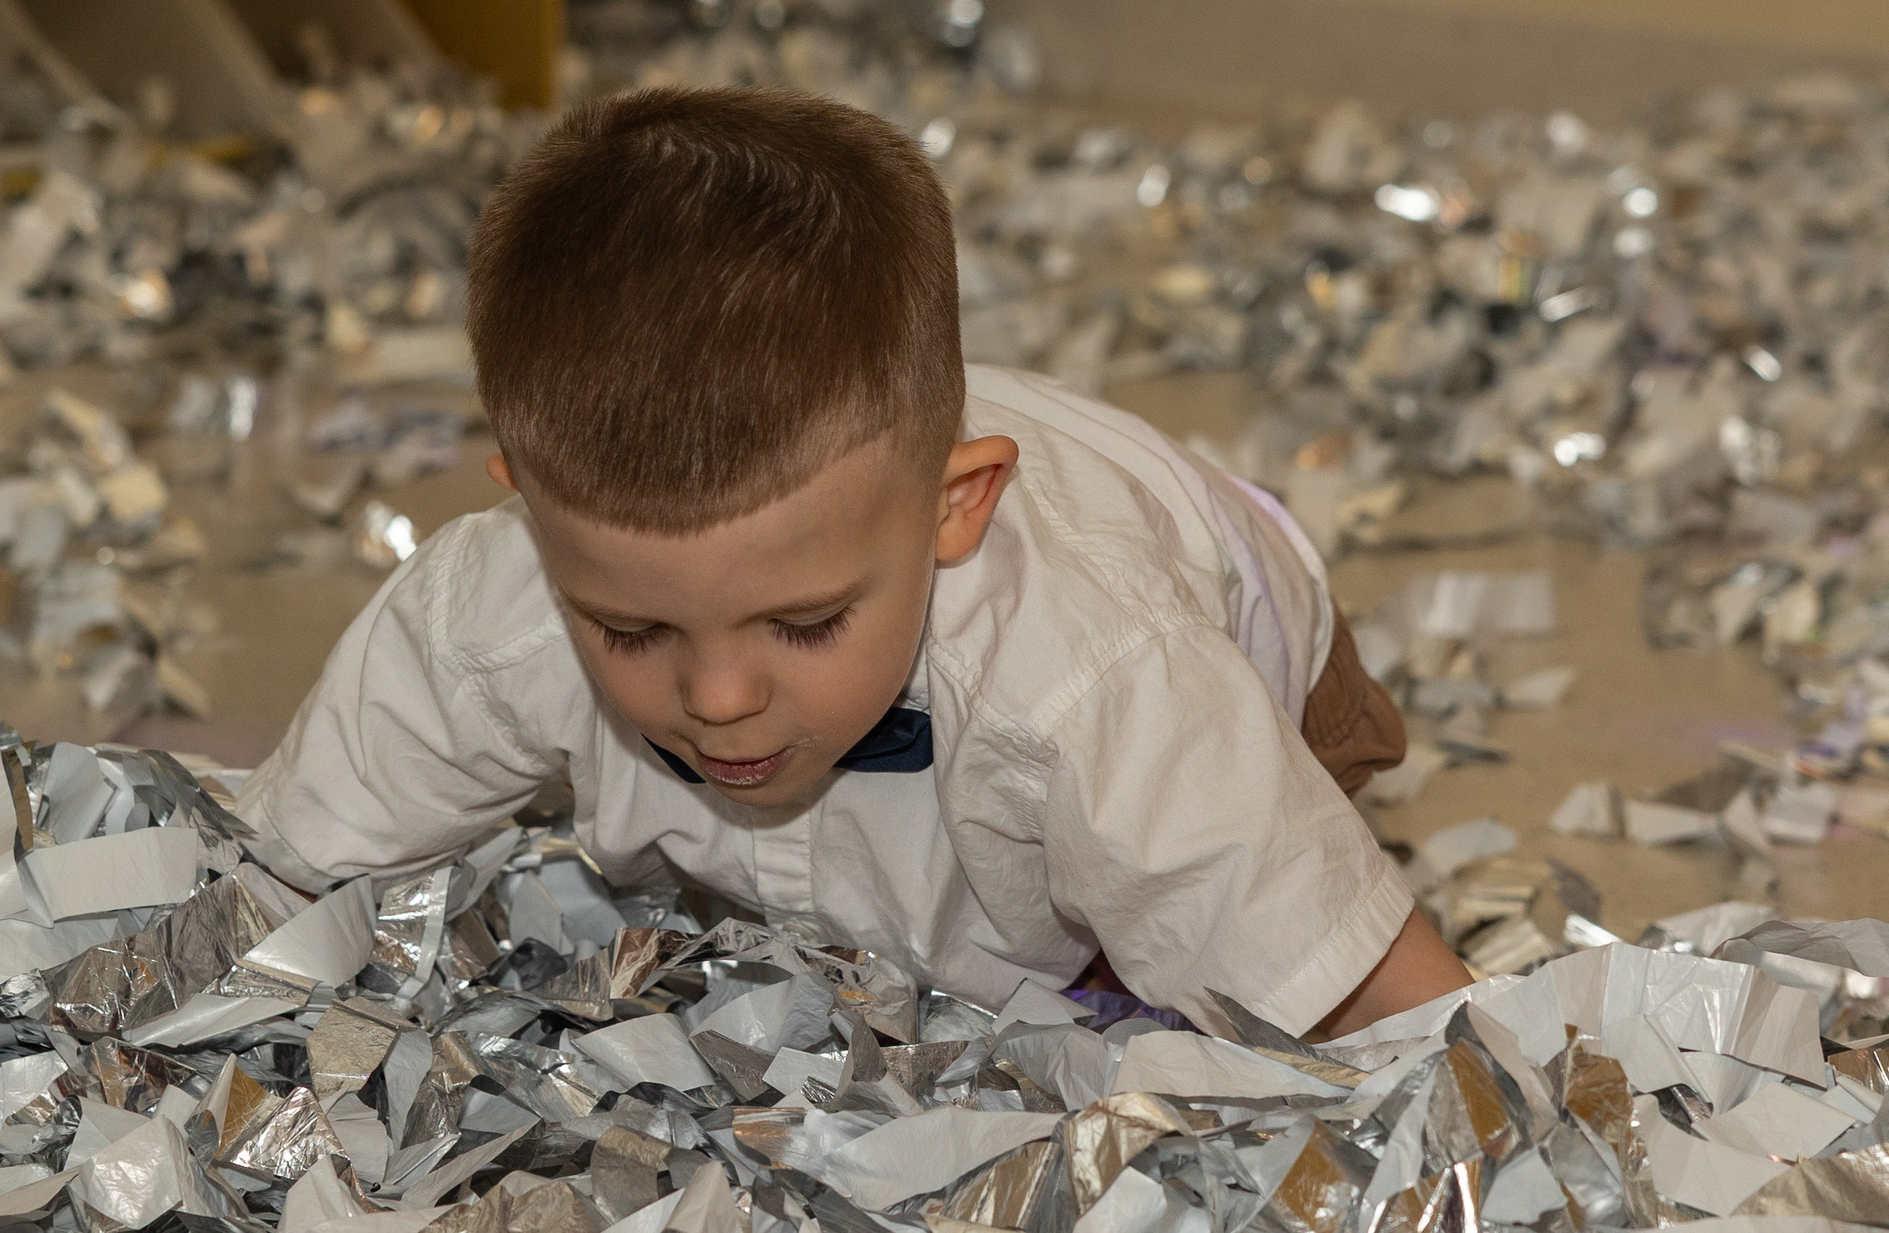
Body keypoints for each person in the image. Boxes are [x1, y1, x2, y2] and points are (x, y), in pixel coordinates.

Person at [237, 86, 1472, 1038]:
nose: (717, 698)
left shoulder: (1100, 679)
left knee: (1163, 984)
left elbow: (1388, 1008)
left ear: (956, 508)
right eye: (630, 630)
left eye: (806, 624)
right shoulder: (490, 608)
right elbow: (293, 868)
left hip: (1251, 660)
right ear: (529, 516)